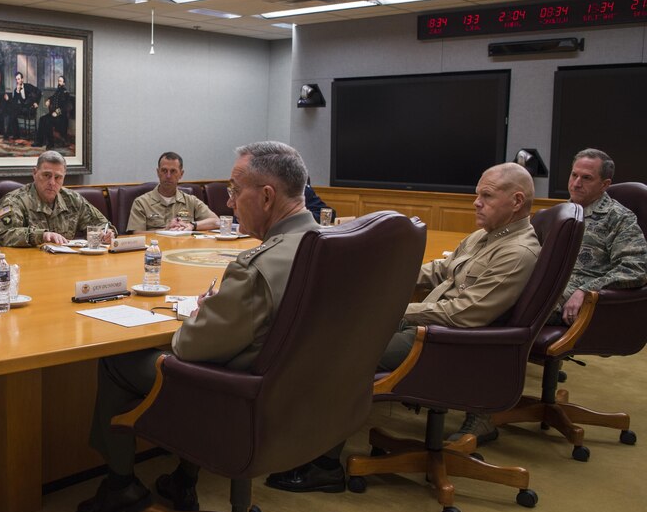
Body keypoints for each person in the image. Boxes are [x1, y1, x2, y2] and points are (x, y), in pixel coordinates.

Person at [76, 141, 320, 512]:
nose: (229, 203)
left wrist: (207, 313)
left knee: (116, 358)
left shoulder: (256, 267)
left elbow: (189, 347)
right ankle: (184, 477)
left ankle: (121, 482)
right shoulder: (328, 246)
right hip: (300, 396)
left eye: (236, 191)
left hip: (238, 394)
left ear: (268, 197)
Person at [266, 162, 541, 493]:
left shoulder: (518, 252)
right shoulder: (486, 236)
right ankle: (299, 440)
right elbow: (441, 270)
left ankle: (324, 466)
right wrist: (385, 273)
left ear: (516, 201)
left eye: (486, 195)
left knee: (346, 357)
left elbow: (466, 313)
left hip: (452, 345)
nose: (476, 202)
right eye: (476, 194)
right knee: (340, 338)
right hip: (433, 331)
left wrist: (394, 311)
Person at [554, 148, 646, 325]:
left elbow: (635, 269)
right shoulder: (557, 213)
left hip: (577, 300)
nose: (576, 183)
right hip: (544, 287)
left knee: (509, 311)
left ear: (604, 185)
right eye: (574, 175)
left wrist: (586, 290)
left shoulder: (619, 218)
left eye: (586, 178)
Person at [0, 150, 112, 247]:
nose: (52, 182)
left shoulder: (72, 199)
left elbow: (101, 224)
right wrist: (42, 236)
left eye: (58, 177)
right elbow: (5, 235)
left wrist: (106, 233)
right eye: (46, 175)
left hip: (65, 264)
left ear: (64, 178)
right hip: (28, 266)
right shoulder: (14, 201)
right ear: (35, 173)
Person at [126, 152, 219, 232]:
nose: (168, 176)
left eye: (173, 171)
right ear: (158, 172)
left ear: (181, 174)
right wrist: (166, 230)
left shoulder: (191, 201)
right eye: (164, 171)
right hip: (154, 250)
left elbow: (217, 222)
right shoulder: (141, 203)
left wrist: (192, 225)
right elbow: (137, 234)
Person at [35, 75, 70, 148]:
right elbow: (53, 97)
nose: (58, 82)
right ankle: (39, 142)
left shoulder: (66, 93)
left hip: (61, 117)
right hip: (53, 114)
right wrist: (48, 100)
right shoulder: (57, 91)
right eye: (58, 81)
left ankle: (50, 143)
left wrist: (57, 112)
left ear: (64, 83)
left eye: (60, 81)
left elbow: (66, 107)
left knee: (48, 121)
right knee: (42, 119)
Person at [3, 72, 40, 141]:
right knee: (13, 111)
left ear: (22, 79)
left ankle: (10, 134)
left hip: (30, 108)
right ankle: (15, 134)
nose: (17, 81)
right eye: (16, 79)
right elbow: (14, 102)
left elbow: (39, 92)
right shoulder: (16, 90)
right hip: (23, 108)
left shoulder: (28, 86)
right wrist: (17, 91)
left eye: (19, 79)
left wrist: (36, 102)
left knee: (13, 111)